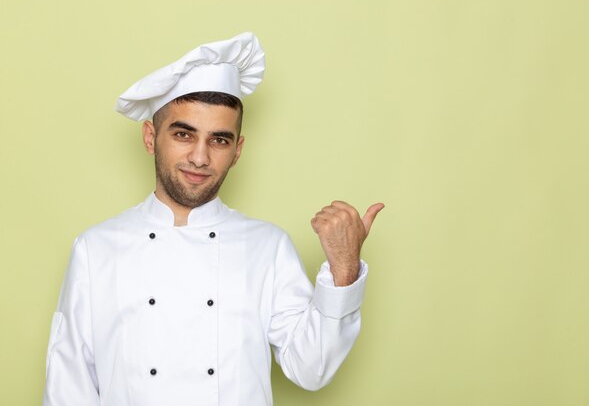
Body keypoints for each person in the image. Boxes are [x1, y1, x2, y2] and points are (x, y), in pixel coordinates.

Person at [42, 32, 384, 406]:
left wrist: (343, 267)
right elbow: (67, 384)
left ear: (237, 151)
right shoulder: (95, 248)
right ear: (150, 137)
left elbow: (311, 369)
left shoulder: (267, 246)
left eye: (219, 140)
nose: (200, 158)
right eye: (183, 134)